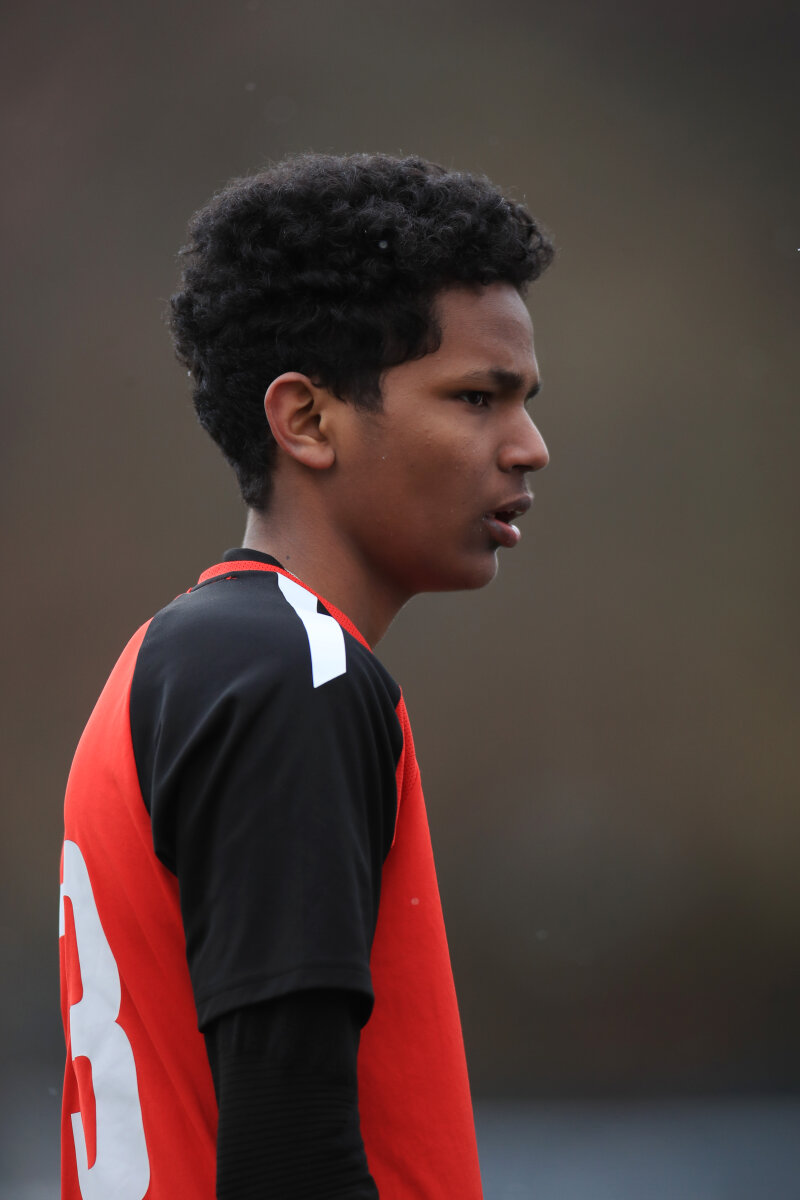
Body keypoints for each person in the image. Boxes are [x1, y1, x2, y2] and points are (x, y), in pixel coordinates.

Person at [59, 152, 554, 1200]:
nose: (529, 448)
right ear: (307, 421)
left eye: (523, 401)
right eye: (476, 397)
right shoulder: (296, 673)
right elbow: (289, 1152)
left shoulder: (190, 654)